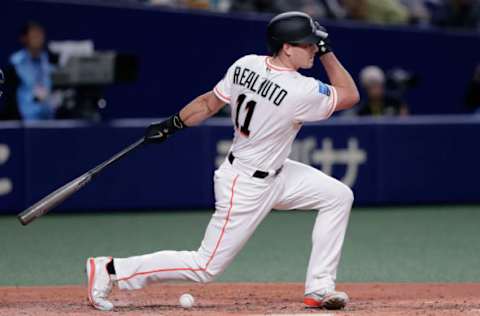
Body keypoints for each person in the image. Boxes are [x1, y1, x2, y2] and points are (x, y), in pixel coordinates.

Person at [86, 11, 359, 311]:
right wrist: (328, 51)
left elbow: (207, 103)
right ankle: (111, 270)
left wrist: (173, 123)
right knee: (205, 266)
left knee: (338, 196)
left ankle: (319, 288)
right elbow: (349, 94)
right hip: (246, 186)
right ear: (287, 47)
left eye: (314, 44)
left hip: (277, 173)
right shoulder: (300, 90)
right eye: (307, 44)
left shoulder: (245, 64)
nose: (313, 49)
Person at [6, 21, 56, 121]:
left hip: (49, 116)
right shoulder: (15, 62)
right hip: (25, 117)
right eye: (34, 35)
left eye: (40, 34)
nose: (38, 38)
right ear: (24, 38)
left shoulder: (51, 60)